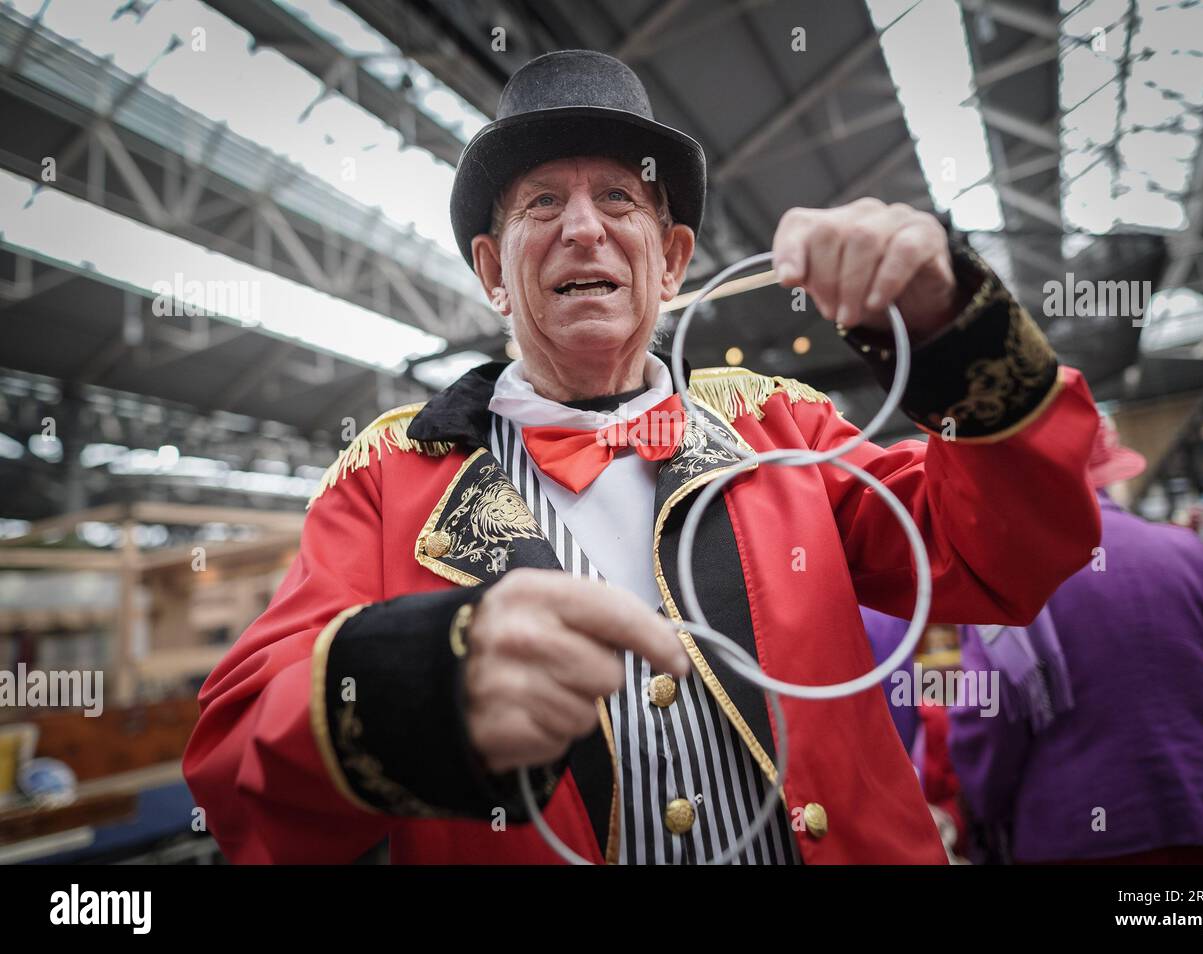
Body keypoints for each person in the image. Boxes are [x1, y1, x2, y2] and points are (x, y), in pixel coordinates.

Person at [183, 49, 1102, 864]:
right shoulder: (389, 477)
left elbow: (1000, 558)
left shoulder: (782, 428)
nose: (583, 227)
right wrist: (421, 685)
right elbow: (235, 775)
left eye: (618, 198)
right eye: (543, 203)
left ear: (672, 262)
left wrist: (957, 330)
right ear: (495, 273)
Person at [949, 417, 1203, 864]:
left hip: (1080, 836)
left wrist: (990, 811)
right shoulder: (1187, 552)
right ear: (1113, 475)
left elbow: (988, 723)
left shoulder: (1008, 578)